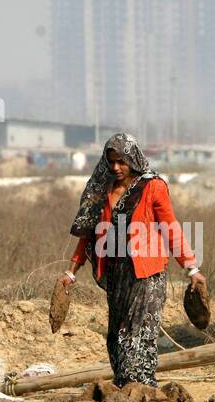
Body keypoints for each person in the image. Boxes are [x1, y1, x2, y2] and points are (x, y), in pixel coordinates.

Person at [59, 133, 205, 387]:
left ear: (133, 159)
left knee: (137, 334)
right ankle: (124, 388)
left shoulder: (152, 187)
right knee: (116, 335)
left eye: (122, 162)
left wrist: (191, 268)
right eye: (111, 162)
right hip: (117, 272)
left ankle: (141, 390)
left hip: (147, 272)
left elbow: (170, 227)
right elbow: (88, 233)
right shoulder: (102, 191)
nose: (116, 167)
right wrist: (71, 272)